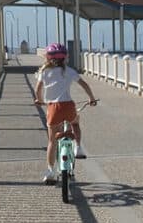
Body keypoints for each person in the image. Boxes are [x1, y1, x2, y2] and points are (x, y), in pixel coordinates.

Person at [34, 43, 97, 183]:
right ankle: (78, 147)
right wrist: (91, 99)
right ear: (65, 57)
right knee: (75, 122)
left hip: (53, 108)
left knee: (51, 141)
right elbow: (84, 85)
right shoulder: (69, 71)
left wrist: (39, 100)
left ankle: (50, 171)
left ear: (48, 58)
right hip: (68, 106)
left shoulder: (44, 72)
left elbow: (38, 90)